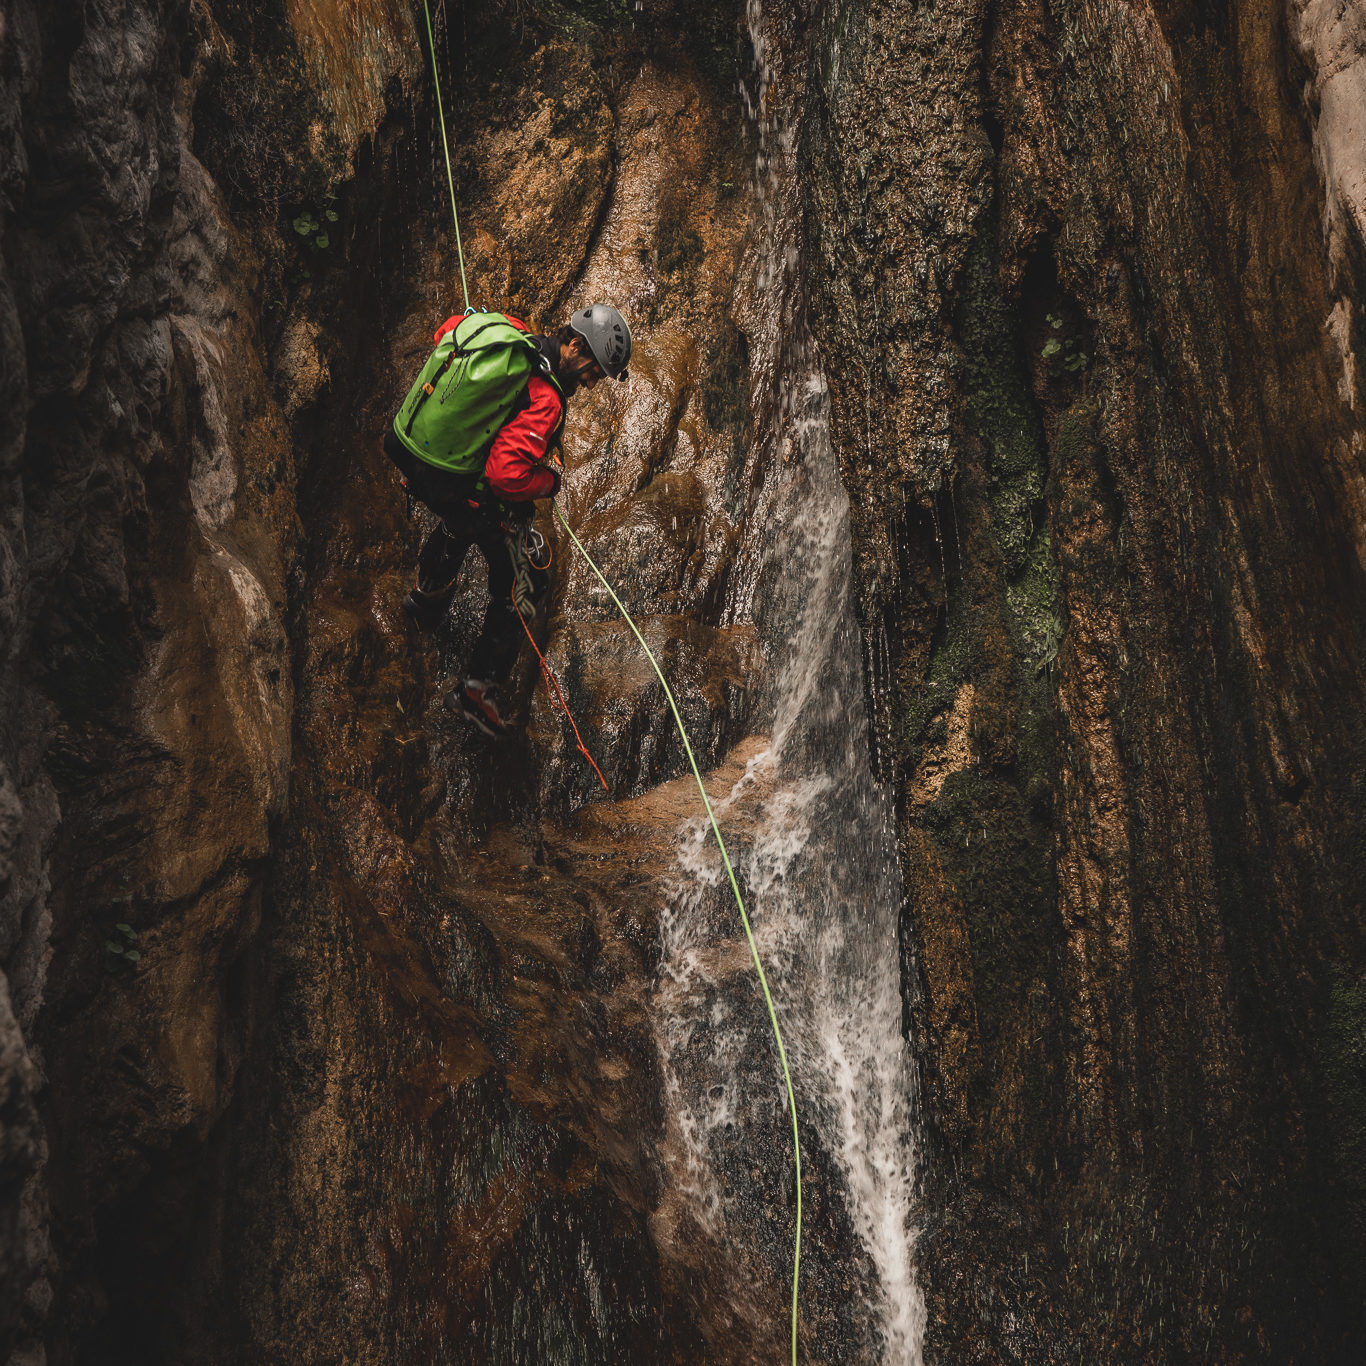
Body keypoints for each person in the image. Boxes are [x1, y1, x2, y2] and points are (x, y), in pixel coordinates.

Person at [383, 303, 632, 735]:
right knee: (528, 580)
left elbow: (447, 332)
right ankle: (476, 692)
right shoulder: (547, 398)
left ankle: (428, 595)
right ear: (573, 344)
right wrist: (548, 482)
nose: (592, 383)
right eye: (593, 370)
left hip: (412, 447)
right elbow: (505, 475)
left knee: (460, 515)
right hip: (453, 486)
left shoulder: (508, 334)